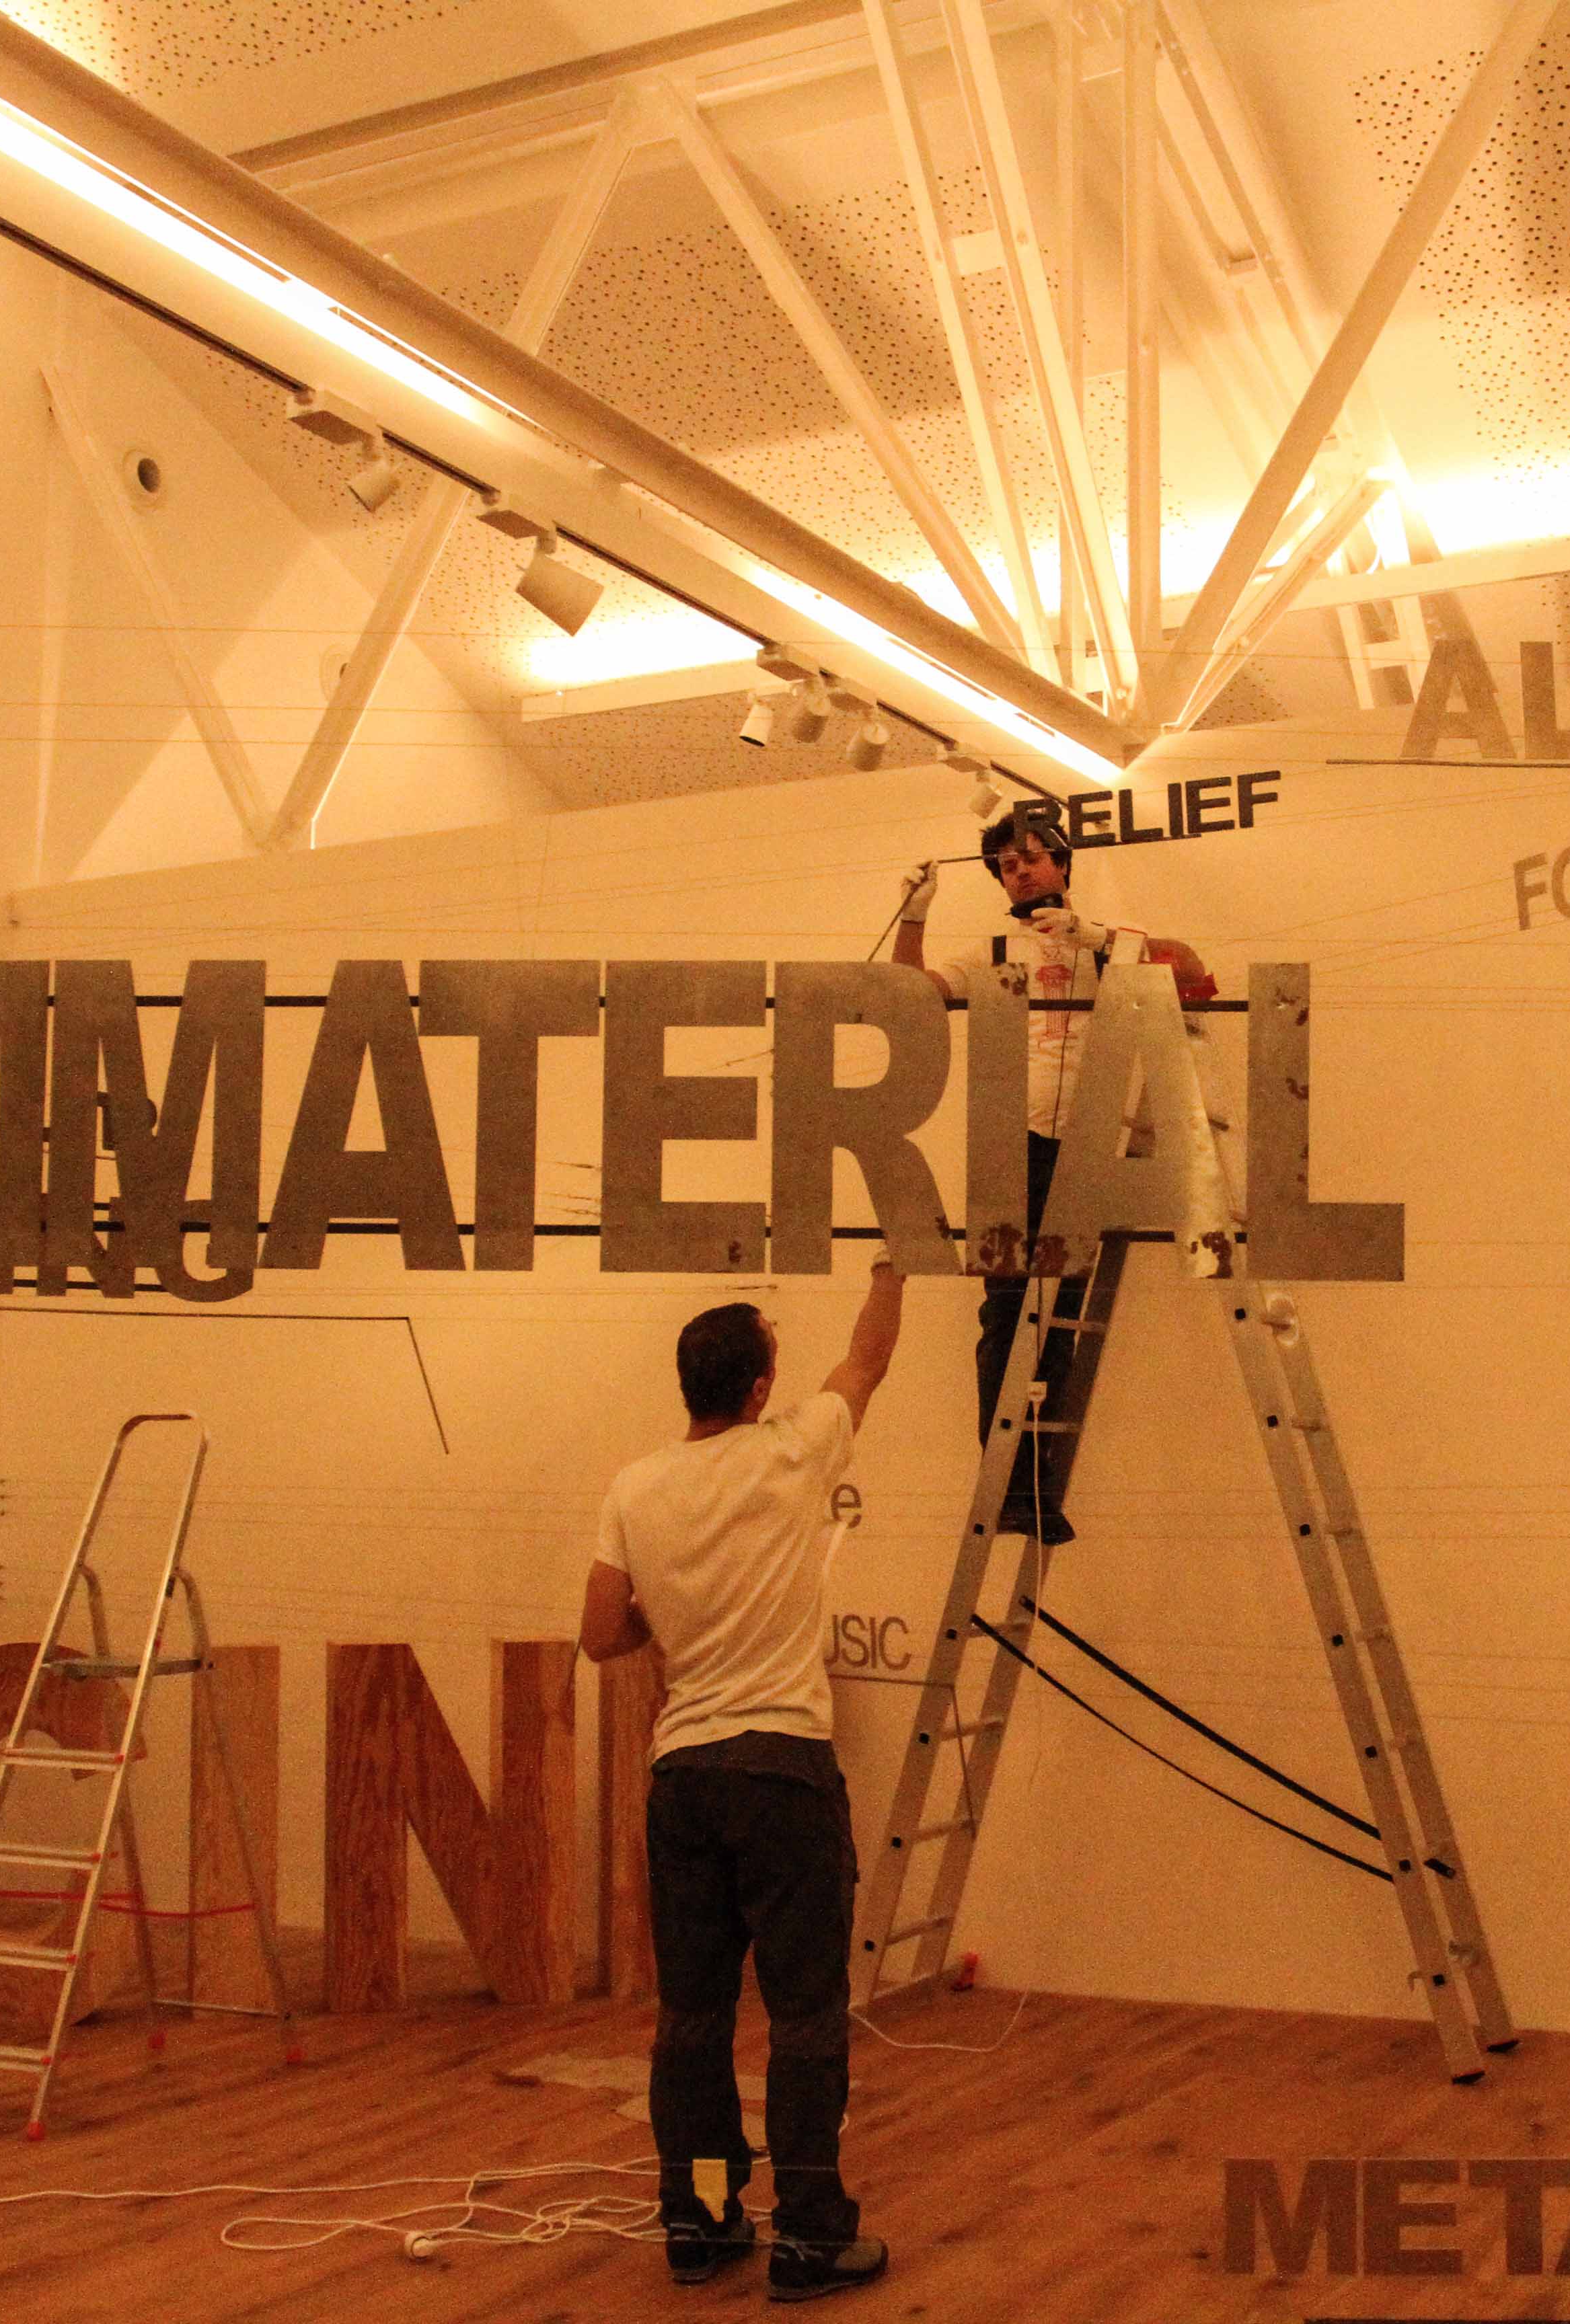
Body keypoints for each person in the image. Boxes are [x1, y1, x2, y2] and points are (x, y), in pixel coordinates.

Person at [581, 1266, 904, 2302]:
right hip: (781, 1774)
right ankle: (807, 2234)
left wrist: (674, 1615)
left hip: (685, 1778)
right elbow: (868, 1357)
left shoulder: (634, 1487)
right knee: (804, 2017)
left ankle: (705, 2216)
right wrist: (893, 1267)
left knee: (695, 2020)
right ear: (761, 1388)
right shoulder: (794, 1448)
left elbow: (601, 1633)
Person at [890, 802, 1216, 1542]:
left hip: (1085, 1143)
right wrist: (914, 914)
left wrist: (1096, 939)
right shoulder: (991, 949)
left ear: (1063, 863)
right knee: (1007, 1310)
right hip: (1014, 1143)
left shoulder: (1113, 942)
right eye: (1007, 865)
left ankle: (1039, 1489)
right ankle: (1005, 1488)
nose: (1021, 872)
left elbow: (1193, 966)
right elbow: (910, 995)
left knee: (1059, 1317)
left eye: (1033, 857)